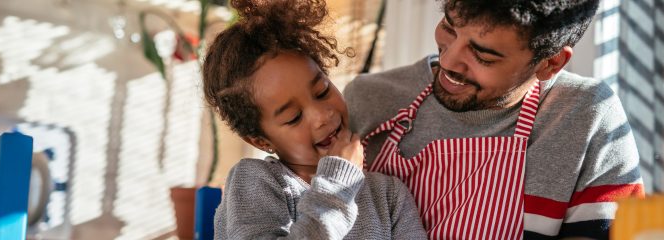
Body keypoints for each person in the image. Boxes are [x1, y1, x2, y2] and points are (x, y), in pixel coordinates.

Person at [344, 0, 644, 239]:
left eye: (483, 56)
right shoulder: (368, 101)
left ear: (550, 63)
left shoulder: (585, 115)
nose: (448, 62)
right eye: (449, 28)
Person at [202, 0, 427, 239]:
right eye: (294, 117)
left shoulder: (388, 194)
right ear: (260, 140)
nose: (323, 116)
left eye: (322, 91)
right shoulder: (255, 182)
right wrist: (338, 185)